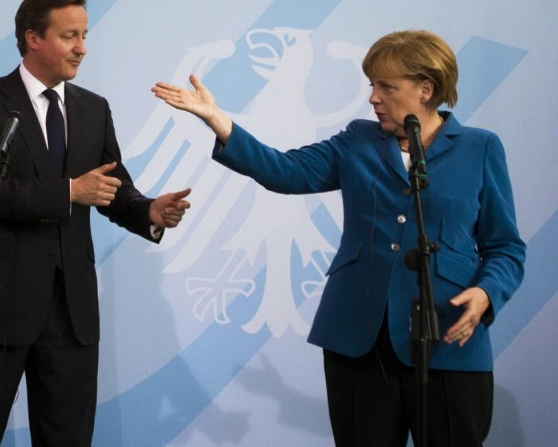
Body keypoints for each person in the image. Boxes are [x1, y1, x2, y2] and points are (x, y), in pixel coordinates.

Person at [152, 30, 525, 446]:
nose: (373, 98)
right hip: (359, 339)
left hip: (449, 338)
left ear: (426, 89)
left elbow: (505, 247)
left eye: (386, 86)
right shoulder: (358, 140)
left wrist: (487, 293)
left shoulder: (480, 148)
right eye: (372, 85)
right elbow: (284, 171)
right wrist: (218, 120)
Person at [0, 0, 191, 447]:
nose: (82, 48)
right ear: (33, 38)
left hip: (70, 314)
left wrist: (148, 211)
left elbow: (112, 190)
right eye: (70, 35)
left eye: (84, 35)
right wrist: (71, 191)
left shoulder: (93, 109)